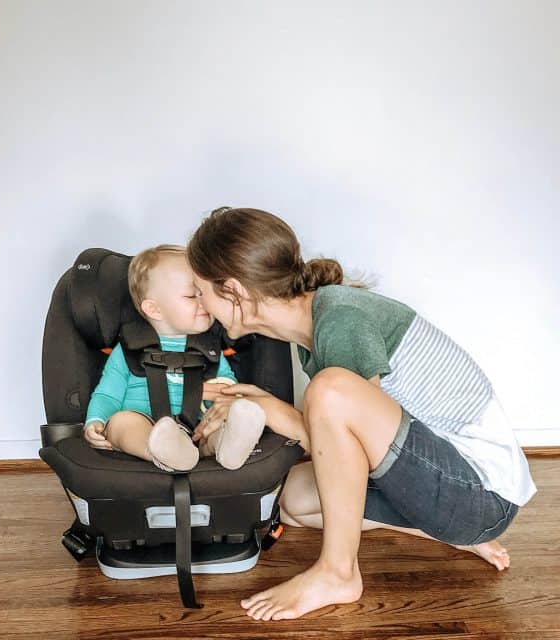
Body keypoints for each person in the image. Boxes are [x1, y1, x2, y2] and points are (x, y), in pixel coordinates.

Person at [186, 207, 536, 621]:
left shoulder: (340, 321)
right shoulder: (312, 331)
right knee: (297, 498)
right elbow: (349, 452)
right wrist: (264, 404)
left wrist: (268, 408)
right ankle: (443, 532)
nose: (199, 303)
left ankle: (338, 572)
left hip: (481, 495)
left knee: (330, 391)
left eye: (199, 290)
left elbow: (350, 442)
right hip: (448, 485)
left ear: (233, 290)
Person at [83, 244, 266, 472]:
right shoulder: (129, 350)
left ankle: (229, 446)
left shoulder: (210, 350)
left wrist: (225, 398)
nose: (204, 302)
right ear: (155, 309)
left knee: (221, 421)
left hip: (199, 429)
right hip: (145, 424)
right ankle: (162, 452)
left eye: (204, 293)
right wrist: (95, 422)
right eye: (192, 295)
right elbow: (107, 394)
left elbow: (227, 388)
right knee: (121, 422)